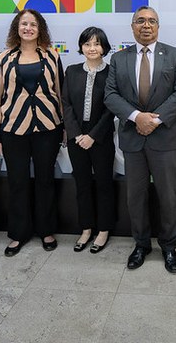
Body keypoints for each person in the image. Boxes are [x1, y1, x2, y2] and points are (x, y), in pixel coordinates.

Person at [104, 6, 176, 274]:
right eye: (140, 21)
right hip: (133, 139)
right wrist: (136, 117)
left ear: (158, 26)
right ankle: (141, 245)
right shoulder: (119, 58)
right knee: (136, 197)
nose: (146, 25)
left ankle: (169, 246)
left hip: (166, 138)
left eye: (152, 21)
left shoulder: (175, 55)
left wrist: (154, 120)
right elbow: (110, 95)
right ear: (132, 26)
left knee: (169, 196)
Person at [0, 9, 64, 256]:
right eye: (24, 24)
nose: (28, 28)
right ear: (16, 28)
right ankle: (18, 233)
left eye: (33, 24)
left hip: (48, 128)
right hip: (13, 129)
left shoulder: (52, 56)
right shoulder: (3, 58)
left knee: (45, 180)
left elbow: (60, 93)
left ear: (40, 29)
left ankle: (46, 230)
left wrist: (64, 127)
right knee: (17, 182)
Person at [62, 26, 116, 254]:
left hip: (101, 136)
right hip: (76, 137)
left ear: (104, 47)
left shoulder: (112, 72)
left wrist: (93, 136)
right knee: (82, 184)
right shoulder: (72, 71)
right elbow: (66, 104)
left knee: (104, 184)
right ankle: (86, 228)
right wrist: (77, 134)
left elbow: (112, 107)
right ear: (81, 47)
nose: (92, 48)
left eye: (96, 44)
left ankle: (103, 230)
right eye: (87, 44)